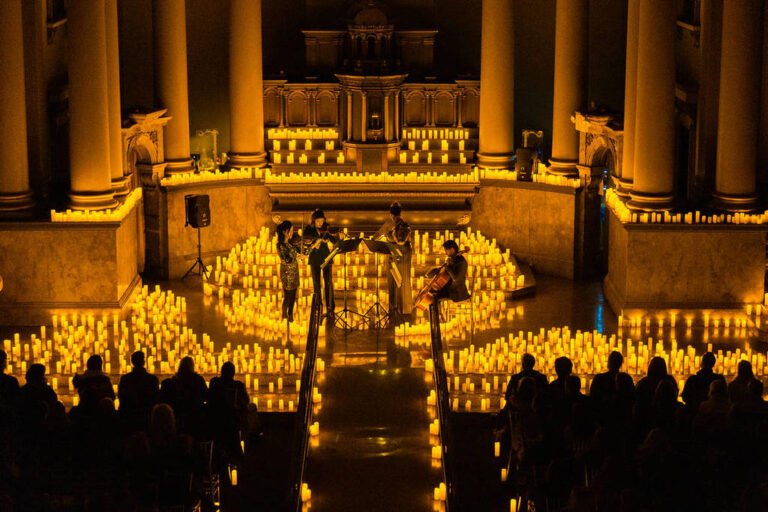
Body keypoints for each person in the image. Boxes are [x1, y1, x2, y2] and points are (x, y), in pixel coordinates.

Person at [374, 202, 413, 316]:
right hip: (395, 253)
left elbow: (401, 241)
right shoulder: (396, 224)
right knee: (397, 279)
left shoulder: (400, 225)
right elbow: (377, 236)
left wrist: (389, 235)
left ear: (391, 214)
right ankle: (395, 307)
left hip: (401, 254)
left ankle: (401, 307)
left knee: (400, 279)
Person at [208, 362, 250, 461]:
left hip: (216, 422)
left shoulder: (214, 382)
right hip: (231, 423)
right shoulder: (238, 386)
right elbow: (245, 401)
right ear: (233, 373)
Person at [159, 356, 208, 437]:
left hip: (177, 416)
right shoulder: (197, 380)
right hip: (195, 417)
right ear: (192, 366)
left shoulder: (174, 380)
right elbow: (206, 395)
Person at [303, 209, 339, 320]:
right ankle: (318, 305)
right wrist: (314, 243)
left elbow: (334, 240)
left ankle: (330, 306)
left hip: (326, 258)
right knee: (316, 284)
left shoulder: (327, 228)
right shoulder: (309, 229)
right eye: (318, 221)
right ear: (314, 221)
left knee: (328, 282)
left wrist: (336, 238)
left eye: (322, 221)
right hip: (314, 258)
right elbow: (305, 242)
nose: (320, 223)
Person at [118, 351, 160, 430]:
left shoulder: (125, 379)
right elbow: (156, 398)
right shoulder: (152, 379)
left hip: (129, 418)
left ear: (132, 362)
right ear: (144, 362)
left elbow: (122, 397)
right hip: (147, 417)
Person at [276, 220, 301, 323]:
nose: (292, 232)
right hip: (287, 272)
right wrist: (295, 254)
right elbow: (286, 259)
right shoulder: (280, 245)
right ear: (285, 232)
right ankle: (285, 314)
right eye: (290, 230)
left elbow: (298, 251)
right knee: (287, 295)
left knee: (293, 294)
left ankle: (290, 313)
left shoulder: (291, 243)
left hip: (294, 271)